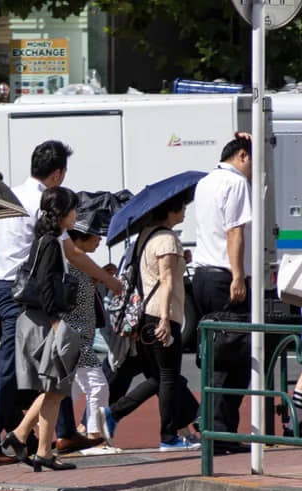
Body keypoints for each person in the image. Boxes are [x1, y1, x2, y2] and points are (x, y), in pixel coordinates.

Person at [0, 141, 121, 466]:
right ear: (57, 173)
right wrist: (109, 280)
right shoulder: (45, 205)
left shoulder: (11, 194)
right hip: (30, 292)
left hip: (5, 284)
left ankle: (57, 435)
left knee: (57, 364)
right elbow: (69, 253)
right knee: (21, 368)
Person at [97, 192, 201, 451]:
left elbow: (154, 273)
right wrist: (165, 319)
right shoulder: (167, 239)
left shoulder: (145, 235)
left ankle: (114, 414)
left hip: (143, 315)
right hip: (161, 314)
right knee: (167, 376)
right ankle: (168, 437)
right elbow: (165, 280)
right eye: (182, 208)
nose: (185, 212)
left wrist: (181, 261)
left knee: (158, 377)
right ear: (171, 210)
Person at [0, 186, 81, 471]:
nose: (76, 214)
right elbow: (46, 283)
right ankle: (36, 445)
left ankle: (27, 439)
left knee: (53, 387)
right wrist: (55, 319)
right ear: (61, 213)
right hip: (43, 321)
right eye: (73, 209)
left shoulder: (45, 240)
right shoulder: (49, 243)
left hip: (36, 319)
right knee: (55, 387)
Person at [191, 136, 252, 454]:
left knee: (215, 356)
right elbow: (235, 231)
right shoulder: (236, 182)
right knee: (234, 359)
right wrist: (239, 275)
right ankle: (221, 433)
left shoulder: (206, 181)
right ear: (243, 156)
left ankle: (213, 429)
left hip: (202, 275)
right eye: (254, 161)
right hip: (225, 276)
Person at [58, 215, 109, 449]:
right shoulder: (73, 264)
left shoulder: (77, 265)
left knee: (66, 392)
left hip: (76, 336)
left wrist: (96, 277)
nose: (100, 240)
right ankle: (94, 435)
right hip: (76, 337)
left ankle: (64, 432)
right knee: (97, 386)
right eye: (96, 235)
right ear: (80, 238)